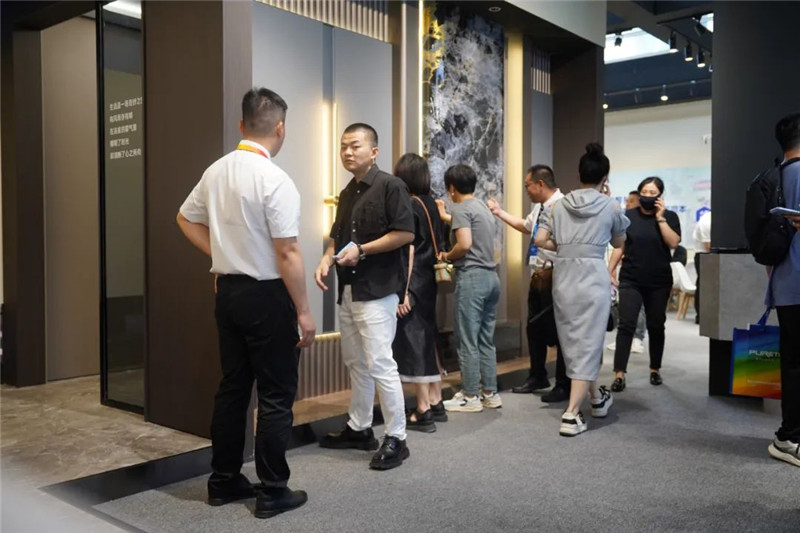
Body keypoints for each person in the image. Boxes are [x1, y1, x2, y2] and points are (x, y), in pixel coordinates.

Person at [177, 88, 315, 519]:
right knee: (275, 393)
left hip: (229, 292)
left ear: (241, 125)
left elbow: (184, 218)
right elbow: (288, 252)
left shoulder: (215, 171)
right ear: (280, 128)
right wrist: (305, 311)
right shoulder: (275, 179)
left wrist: (221, 257)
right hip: (267, 296)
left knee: (233, 388)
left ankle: (223, 480)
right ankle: (273, 490)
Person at [314, 123, 415, 470]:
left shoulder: (391, 185)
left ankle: (397, 437)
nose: (347, 152)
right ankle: (359, 428)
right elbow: (336, 237)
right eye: (343, 146)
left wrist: (363, 250)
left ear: (373, 151)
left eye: (355, 146)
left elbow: (405, 233)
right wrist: (326, 258)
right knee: (356, 362)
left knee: (381, 363)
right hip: (349, 289)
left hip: (378, 289)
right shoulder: (347, 192)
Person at [534, 143, 629, 436]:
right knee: (589, 342)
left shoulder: (559, 205)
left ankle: (597, 399)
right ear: (605, 177)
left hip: (564, 278)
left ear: (579, 174)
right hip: (592, 278)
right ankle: (572, 413)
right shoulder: (610, 206)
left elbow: (540, 240)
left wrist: (567, 246)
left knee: (575, 343)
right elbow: (618, 242)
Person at [487, 165, 571, 403]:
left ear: (540, 184)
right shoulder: (540, 207)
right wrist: (500, 213)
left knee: (560, 332)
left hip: (557, 277)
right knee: (534, 328)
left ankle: (564, 383)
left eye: (528, 186)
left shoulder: (563, 206)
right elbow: (526, 226)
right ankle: (537, 375)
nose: (526, 191)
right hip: (538, 275)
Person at [436, 164, 502, 413]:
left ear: (452, 188)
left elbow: (464, 243)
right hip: (491, 278)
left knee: (467, 340)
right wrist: (445, 215)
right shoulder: (481, 207)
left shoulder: (461, 208)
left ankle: (470, 396)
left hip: (472, 279)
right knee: (485, 339)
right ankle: (490, 392)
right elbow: (466, 225)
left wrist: (446, 255)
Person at [608, 177, 681, 391]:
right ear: (639, 194)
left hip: (659, 281)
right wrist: (610, 269)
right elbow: (620, 246)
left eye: (652, 192)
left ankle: (655, 369)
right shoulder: (628, 216)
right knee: (626, 324)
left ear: (660, 196)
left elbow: (673, 243)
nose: (648, 196)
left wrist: (660, 218)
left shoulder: (670, 217)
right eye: (645, 192)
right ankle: (619, 374)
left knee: (656, 325)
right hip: (631, 279)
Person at [391, 153, 447, 432]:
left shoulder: (410, 205)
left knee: (415, 340)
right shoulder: (431, 204)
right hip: (429, 281)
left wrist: (403, 292)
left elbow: (409, 250)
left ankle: (423, 408)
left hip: (414, 280)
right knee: (427, 337)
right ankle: (436, 400)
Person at [765, 113, 800, 468]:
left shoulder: (772, 177)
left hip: (785, 282)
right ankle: (789, 437)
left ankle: (789, 436)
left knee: (792, 363)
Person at [607, 190, 646, 354]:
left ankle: (638, 338)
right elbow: (619, 247)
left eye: (631, 201)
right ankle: (624, 338)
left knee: (640, 307)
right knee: (624, 306)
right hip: (628, 271)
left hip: (644, 272)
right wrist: (610, 269)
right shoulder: (625, 221)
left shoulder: (645, 223)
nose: (627, 204)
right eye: (627, 201)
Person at [693, 209, 711, 324]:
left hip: (709, 254)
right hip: (704, 255)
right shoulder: (707, 221)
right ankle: (701, 316)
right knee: (704, 286)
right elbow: (708, 246)